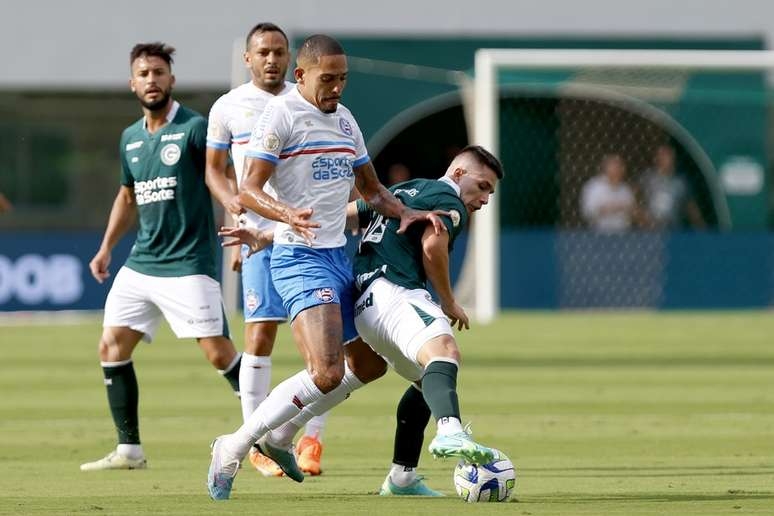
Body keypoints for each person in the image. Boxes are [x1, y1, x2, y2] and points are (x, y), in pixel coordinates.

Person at [206, 34, 446, 500]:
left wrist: (407, 213)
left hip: (341, 255)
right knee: (327, 372)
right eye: (328, 78)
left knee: (369, 365)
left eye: (343, 79)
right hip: (298, 257)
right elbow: (249, 188)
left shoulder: (345, 120)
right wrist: (285, 214)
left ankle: (278, 438)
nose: (337, 87)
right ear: (302, 75)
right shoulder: (280, 118)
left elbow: (372, 191)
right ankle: (232, 447)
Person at [216, 145, 505, 497]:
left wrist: (265, 236)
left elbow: (341, 217)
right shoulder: (450, 200)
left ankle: (402, 477)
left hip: (363, 300)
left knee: (422, 383)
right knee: (444, 353)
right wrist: (448, 300)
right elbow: (432, 246)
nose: (485, 198)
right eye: (483, 186)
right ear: (459, 174)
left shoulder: (403, 191)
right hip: (395, 291)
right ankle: (450, 429)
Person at [80, 43, 241, 472]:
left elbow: (221, 177)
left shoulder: (193, 128)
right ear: (132, 83)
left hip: (188, 263)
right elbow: (127, 196)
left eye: (158, 72)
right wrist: (106, 247)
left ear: (171, 79)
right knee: (111, 345)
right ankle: (129, 449)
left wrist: (239, 229)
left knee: (219, 354)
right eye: (143, 73)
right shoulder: (130, 138)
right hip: (142, 262)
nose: (151, 80)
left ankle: (268, 432)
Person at [205, 22, 329, 478]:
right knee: (259, 335)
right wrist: (234, 209)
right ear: (248, 58)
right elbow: (215, 172)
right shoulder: (229, 108)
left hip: (312, 237)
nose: (272, 59)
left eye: (279, 51)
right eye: (263, 52)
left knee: (321, 344)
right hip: (256, 234)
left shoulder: (310, 102)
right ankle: (254, 442)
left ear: (291, 56)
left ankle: (311, 439)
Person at [639, 143, 706, 230]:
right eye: (659, 155)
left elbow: (691, 206)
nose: (662, 158)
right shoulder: (647, 178)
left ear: (673, 157)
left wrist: (701, 227)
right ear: (655, 158)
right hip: (650, 228)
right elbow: (634, 200)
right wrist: (644, 218)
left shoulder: (681, 182)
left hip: (674, 228)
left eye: (666, 155)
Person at [580, 153, 638, 232]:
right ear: (605, 168)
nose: (618, 169)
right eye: (614, 166)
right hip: (599, 233)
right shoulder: (593, 186)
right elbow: (587, 212)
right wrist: (615, 207)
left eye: (620, 166)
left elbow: (633, 212)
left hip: (624, 234)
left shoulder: (626, 189)